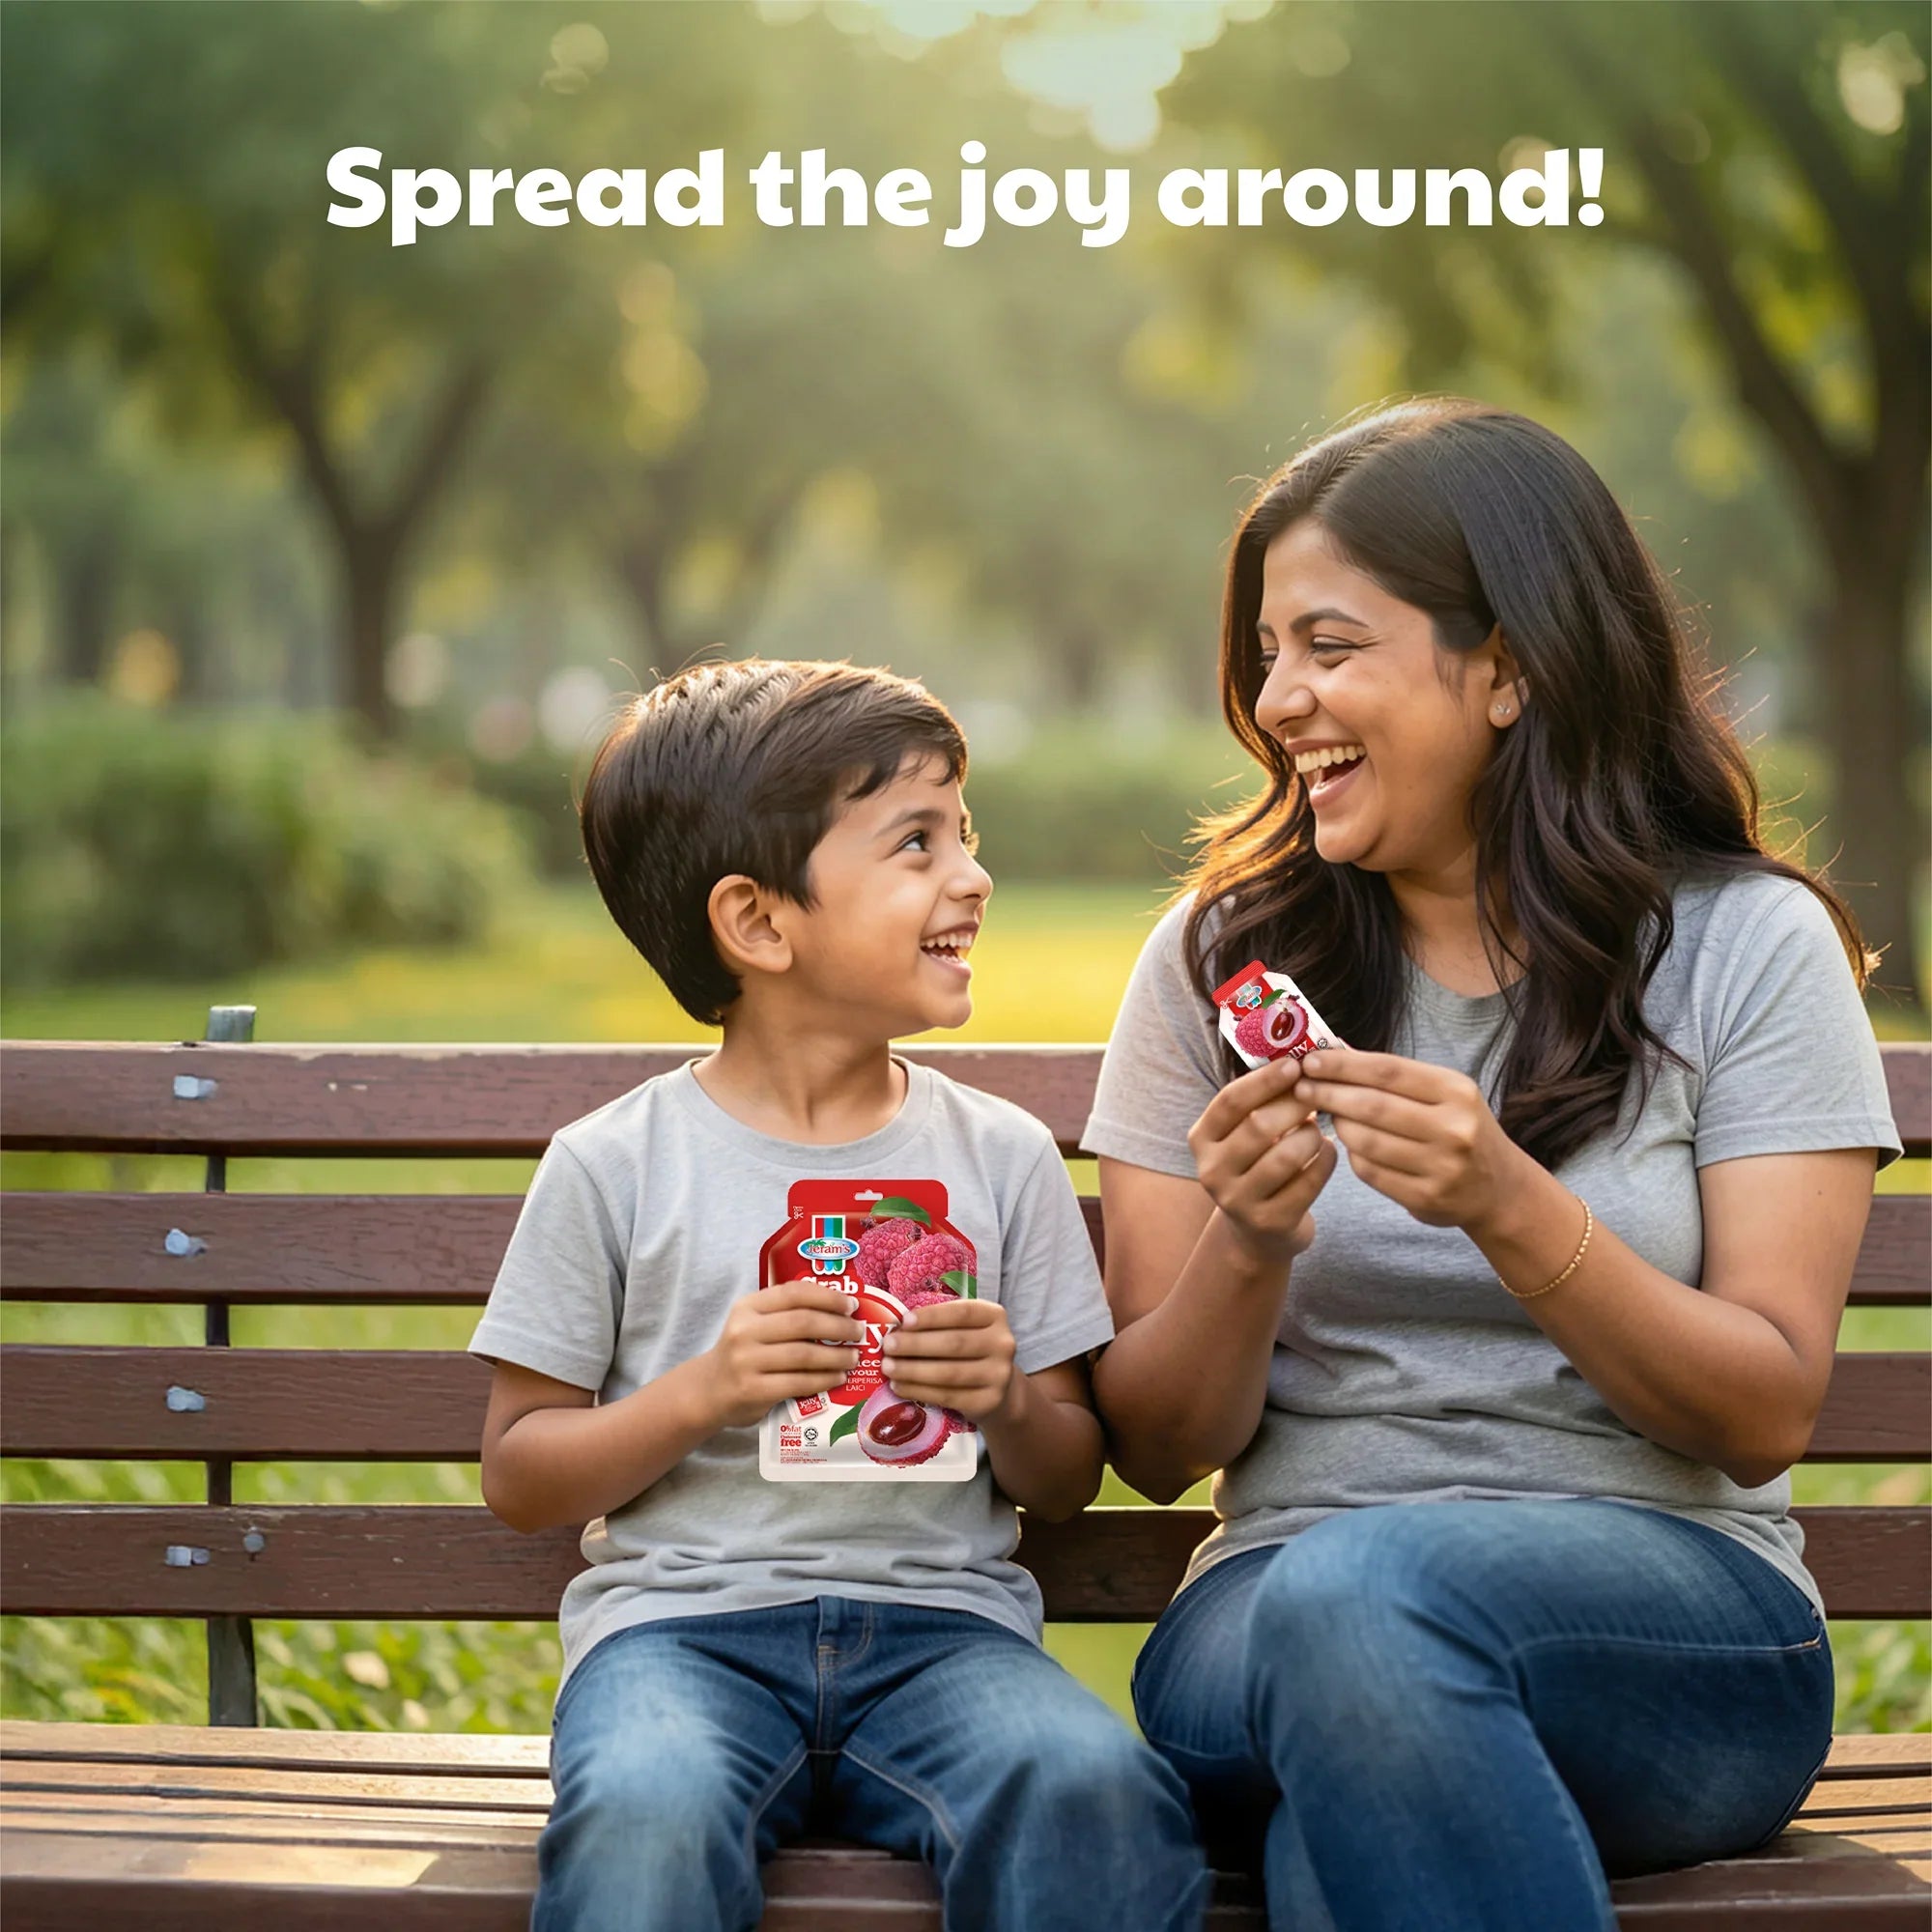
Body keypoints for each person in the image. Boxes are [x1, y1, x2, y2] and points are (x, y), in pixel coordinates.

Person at [1081, 401, 1903, 1931]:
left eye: (1329, 646)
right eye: (1267, 654)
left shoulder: (1742, 948)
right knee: (1353, 1630)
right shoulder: (1216, 959)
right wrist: (1248, 1247)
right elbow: (1154, 1443)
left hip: (1671, 1636)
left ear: (1512, 667)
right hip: (1265, 1618)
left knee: (1359, 1756)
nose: (1277, 702)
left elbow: (1764, 1410)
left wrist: (1513, 1209)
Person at [471, 658, 1207, 1932]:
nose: (973, 878)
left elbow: (1068, 1476)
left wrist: (1006, 1403)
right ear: (759, 924)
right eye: (915, 845)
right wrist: (709, 1388)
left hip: (946, 1637)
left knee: (1092, 1789)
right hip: (680, 1637)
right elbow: (521, 1474)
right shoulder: (616, 1165)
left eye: (965, 837)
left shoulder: (1000, 1157)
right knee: (644, 1815)